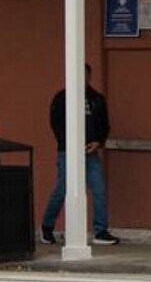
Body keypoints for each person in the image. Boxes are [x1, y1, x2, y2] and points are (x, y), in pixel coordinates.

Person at [40, 63, 116, 244]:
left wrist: (98, 142)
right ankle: (47, 227)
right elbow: (56, 125)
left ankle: (100, 231)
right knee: (63, 188)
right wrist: (69, 145)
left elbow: (104, 125)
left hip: (90, 152)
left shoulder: (96, 99)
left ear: (89, 77)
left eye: (85, 75)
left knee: (98, 188)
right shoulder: (61, 98)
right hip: (68, 152)